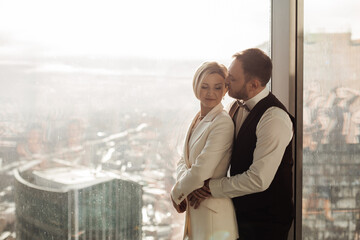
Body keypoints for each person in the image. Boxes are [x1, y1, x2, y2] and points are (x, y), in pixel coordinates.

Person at [190, 48, 294, 240]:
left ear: (254, 84)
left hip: (266, 225)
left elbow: (258, 180)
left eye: (233, 79)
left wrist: (211, 187)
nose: (226, 81)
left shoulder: (274, 118)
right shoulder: (235, 106)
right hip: (239, 218)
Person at [170, 62, 238, 240]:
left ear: (225, 90)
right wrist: (190, 184)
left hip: (213, 214)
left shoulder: (222, 122)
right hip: (197, 209)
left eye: (217, 87)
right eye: (205, 87)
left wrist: (176, 193)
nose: (211, 93)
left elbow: (201, 171)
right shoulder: (197, 118)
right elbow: (183, 162)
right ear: (196, 87)